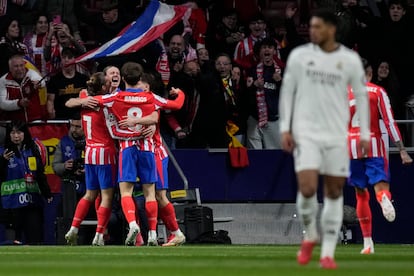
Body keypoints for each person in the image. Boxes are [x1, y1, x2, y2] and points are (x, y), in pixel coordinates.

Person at [279, 9, 370, 269]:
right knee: (307, 188)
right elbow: (287, 92)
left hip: (336, 134)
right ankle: (310, 234)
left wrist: (363, 133)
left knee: (333, 191)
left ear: (332, 29)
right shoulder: (300, 56)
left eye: (319, 27)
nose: (313, 31)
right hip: (306, 133)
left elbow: (361, 96)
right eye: (312, 27)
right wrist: (286, 128)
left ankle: (328, 251)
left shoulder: (349, 59)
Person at [96, 62, 185, 246]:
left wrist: (82, 98)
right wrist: (180, 94)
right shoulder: (149, 98)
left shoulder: (118, 97)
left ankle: (157, 230)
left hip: (140, 148)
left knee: (135, 193)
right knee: (148, 194)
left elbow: (96, 101)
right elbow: (173, 106)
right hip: (146, 149)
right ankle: (150, 235)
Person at [348, 58, 413, 254]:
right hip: (374, 143)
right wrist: (402, 150)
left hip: (351, 146)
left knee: (361, 194)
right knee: (380, 186)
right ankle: (384, 197)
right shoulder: (378, 91)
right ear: (369, 74)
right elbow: (390, 122)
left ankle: (368, 243)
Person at [119, 73, 186, 246]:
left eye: (140, 84)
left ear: (146, 87)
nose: (136, 87)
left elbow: (156, 117)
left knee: (158, 195)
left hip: (155, 153)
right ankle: (148, 235)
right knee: (143, 194)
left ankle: (174, 232)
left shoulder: (151, 101)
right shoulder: (133, 100)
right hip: (142, 152)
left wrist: (180, 93)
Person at [63, 72, 118, 246]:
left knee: (89, 194)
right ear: (102, 87)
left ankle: (73, 228)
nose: (111, 84)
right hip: (105, 152)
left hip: (90, 152)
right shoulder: (107, 103)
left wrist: (82, 101)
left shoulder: (85, 99)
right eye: (108, 82)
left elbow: (69, 102)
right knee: (107, 196)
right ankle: (100, 234)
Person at [0, 120, 52, 244]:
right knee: (12, 242)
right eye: (12, 133)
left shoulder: (33, 149)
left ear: (25, 133)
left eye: (19, 132)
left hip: (32, 201)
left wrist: (46, 192)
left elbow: (39, 173)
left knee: (35, 239)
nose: (16, 136)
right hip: (11, 203)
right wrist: (2, 161)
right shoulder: (3, 152)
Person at [245, 38, 283, 149]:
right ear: (260, 51)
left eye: (270, 47)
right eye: (264, 47)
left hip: (273, 120)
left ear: (274, 52)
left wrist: (280, 82)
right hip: (254, 119)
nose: (267, 50)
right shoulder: (252, 70)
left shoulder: (282, 70)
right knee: (255, 156)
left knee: (274, 154)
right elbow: (245, 94)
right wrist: (254, 85)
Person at [0, 54, 47, 122]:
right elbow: (2, 104)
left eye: (21, 65)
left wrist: (38, 83)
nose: (19, 69)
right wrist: (19, 103)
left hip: (34, 122)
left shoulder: (31, 73)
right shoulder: (3, 81)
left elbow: (41, 82)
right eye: (16, 66)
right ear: (10, 68)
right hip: (15, 125)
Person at [46, 47, 88, 119]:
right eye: (64, 57)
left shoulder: (83, 79)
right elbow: (50, 101)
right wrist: (52, 118)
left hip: (80, 119)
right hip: (61, 120)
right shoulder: (54, 80)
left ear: (75, 59)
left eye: (70, 57)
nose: (66, 60)